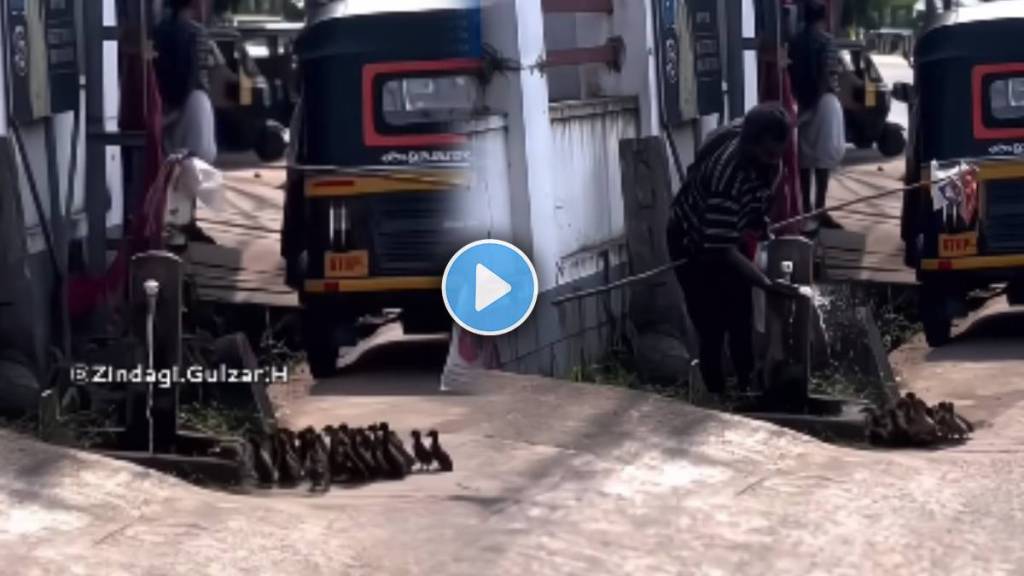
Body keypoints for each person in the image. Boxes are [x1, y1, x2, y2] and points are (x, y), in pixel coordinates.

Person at [666, 103, 803, 398]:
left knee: (741, 316)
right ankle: (716, 395)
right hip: (693, 241)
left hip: (727, 234)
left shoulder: (765, 158)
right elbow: (721, 251)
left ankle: (746, 386)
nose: (774, 161)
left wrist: (759, 222)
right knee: (712, 324)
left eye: (779, 154)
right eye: (768, 155)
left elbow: (757, 205)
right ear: (750, 144)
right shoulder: (726, 179)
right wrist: (766, 283)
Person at [788, 0, 844, 230]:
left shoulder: (795, 41)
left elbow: (791, 72)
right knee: (823, 160)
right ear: (823, 18)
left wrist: (803, 107)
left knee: (803, 159)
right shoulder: (828, 41)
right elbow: (825, 75)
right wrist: (814, 105)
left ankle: (806, 208)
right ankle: (820, 209)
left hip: (799, 103)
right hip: (824, 103)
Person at [154, 0, 218, 165]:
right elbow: (196, 78)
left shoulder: (159, 31)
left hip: (168, 117)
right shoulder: (196, 33)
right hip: (192, 113)